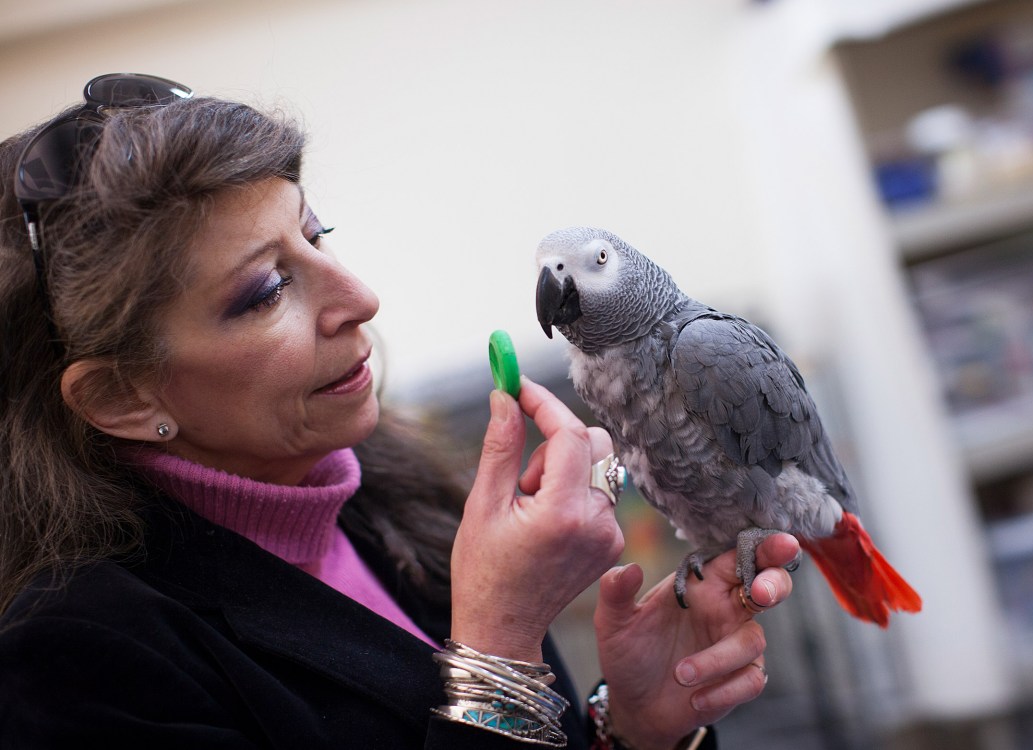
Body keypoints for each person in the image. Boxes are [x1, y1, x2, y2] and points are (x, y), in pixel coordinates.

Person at [0, 74, 801, 749]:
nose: (359, 297)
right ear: (121, 395)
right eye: (266, 289)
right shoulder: (69, 664)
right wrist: (498, 643)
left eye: (320, 237)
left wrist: (631, 729)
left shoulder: (392, 496)